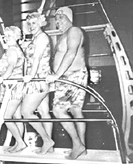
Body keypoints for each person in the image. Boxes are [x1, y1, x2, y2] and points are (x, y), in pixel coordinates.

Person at [46, 6, 88, 159]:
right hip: (68, 77)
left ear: (70, 18)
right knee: (76, 110)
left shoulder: (74, 31)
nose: (58, 22)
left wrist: (57, 74)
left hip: (72, 76)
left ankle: (77, 144)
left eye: (61, 18)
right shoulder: (64, 35)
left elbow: (71, 53)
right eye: (56, 19)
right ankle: (81, 147)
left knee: (58, 111)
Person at [21, 12, 54, 155]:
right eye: (29, 23)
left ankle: (47, 140)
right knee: (43, 112)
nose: (30, 26)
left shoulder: (42, 38)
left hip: (38, 78)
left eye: (34, 23)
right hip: (41, 77)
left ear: (41, 23)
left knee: (26, 112)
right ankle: (50, 146)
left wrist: (30, 76)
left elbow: (37, 59)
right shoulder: (36, 38)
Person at [0, 26, 26, 153]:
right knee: (16, 116)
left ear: (16, 37)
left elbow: (11, 66)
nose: (6, 38)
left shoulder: (12, 50)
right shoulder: (16, 49)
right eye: (5, 36)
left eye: (9, 36)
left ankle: (20, 142)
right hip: (16, 85)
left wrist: (2, 78)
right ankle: (18, 143)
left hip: (12, 87)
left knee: (6, 117)